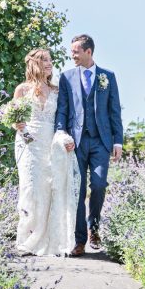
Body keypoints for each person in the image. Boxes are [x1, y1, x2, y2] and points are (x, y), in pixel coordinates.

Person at [55, 34, 124, 257]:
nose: (72, 55)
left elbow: (114, 111)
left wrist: (118, 141)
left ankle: (94, 228)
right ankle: (79, 240)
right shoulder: (66, 77)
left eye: (75, 52)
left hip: (101, 141)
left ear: (88, 52)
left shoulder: (107, 77)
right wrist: (61, 133)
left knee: (99, 184)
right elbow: (62, 109)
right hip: (75, 143)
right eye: (72, 52)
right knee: (78, 190)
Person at [13, 48, 79, 256]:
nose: (50, 64)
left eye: (51, 60)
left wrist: (66, 139)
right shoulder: (22, 89)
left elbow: (64, 119)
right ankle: (26, 240)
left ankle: (46, 239)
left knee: (48, 189)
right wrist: (22, 130)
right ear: (35, 64)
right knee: (30, 188)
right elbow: (15, 119)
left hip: (50, 144)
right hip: (28, 144)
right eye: (45, 60)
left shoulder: (57, 90)